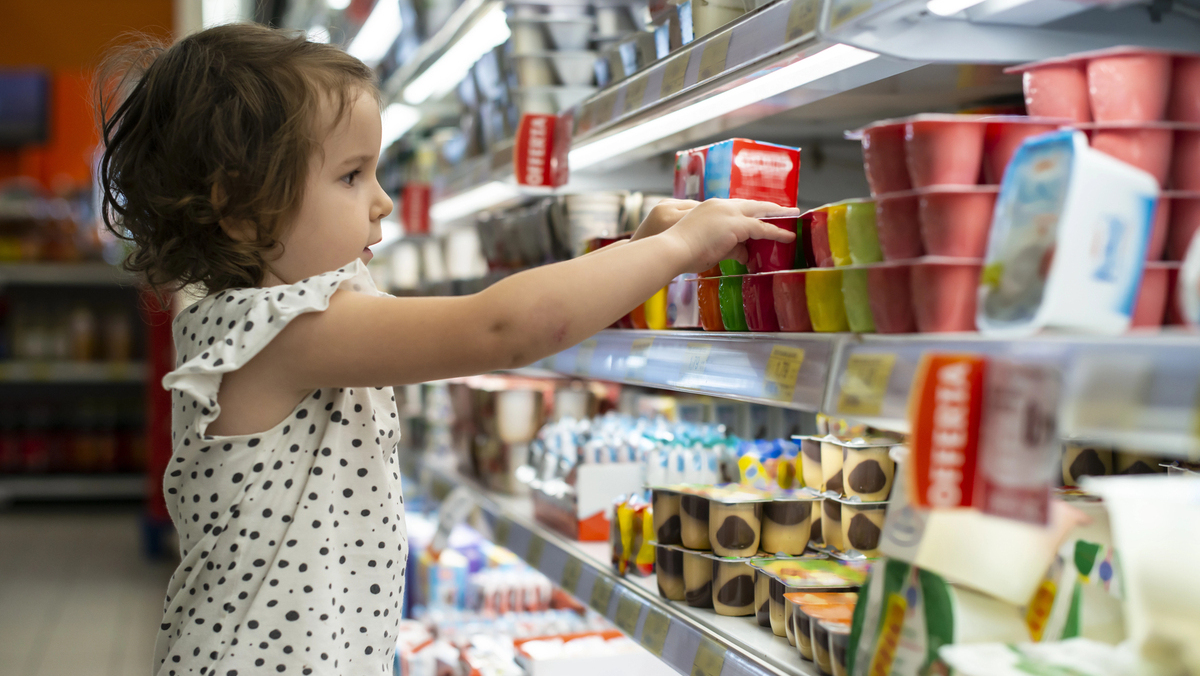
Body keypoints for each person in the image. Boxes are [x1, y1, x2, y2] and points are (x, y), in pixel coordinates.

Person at [97, 22, 796, 676]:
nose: (382, 203)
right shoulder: (280, 332)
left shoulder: (299, 314)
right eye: (350, 176)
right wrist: (676, 249)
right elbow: (502, 328)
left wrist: (640, 248)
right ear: (240, 207)